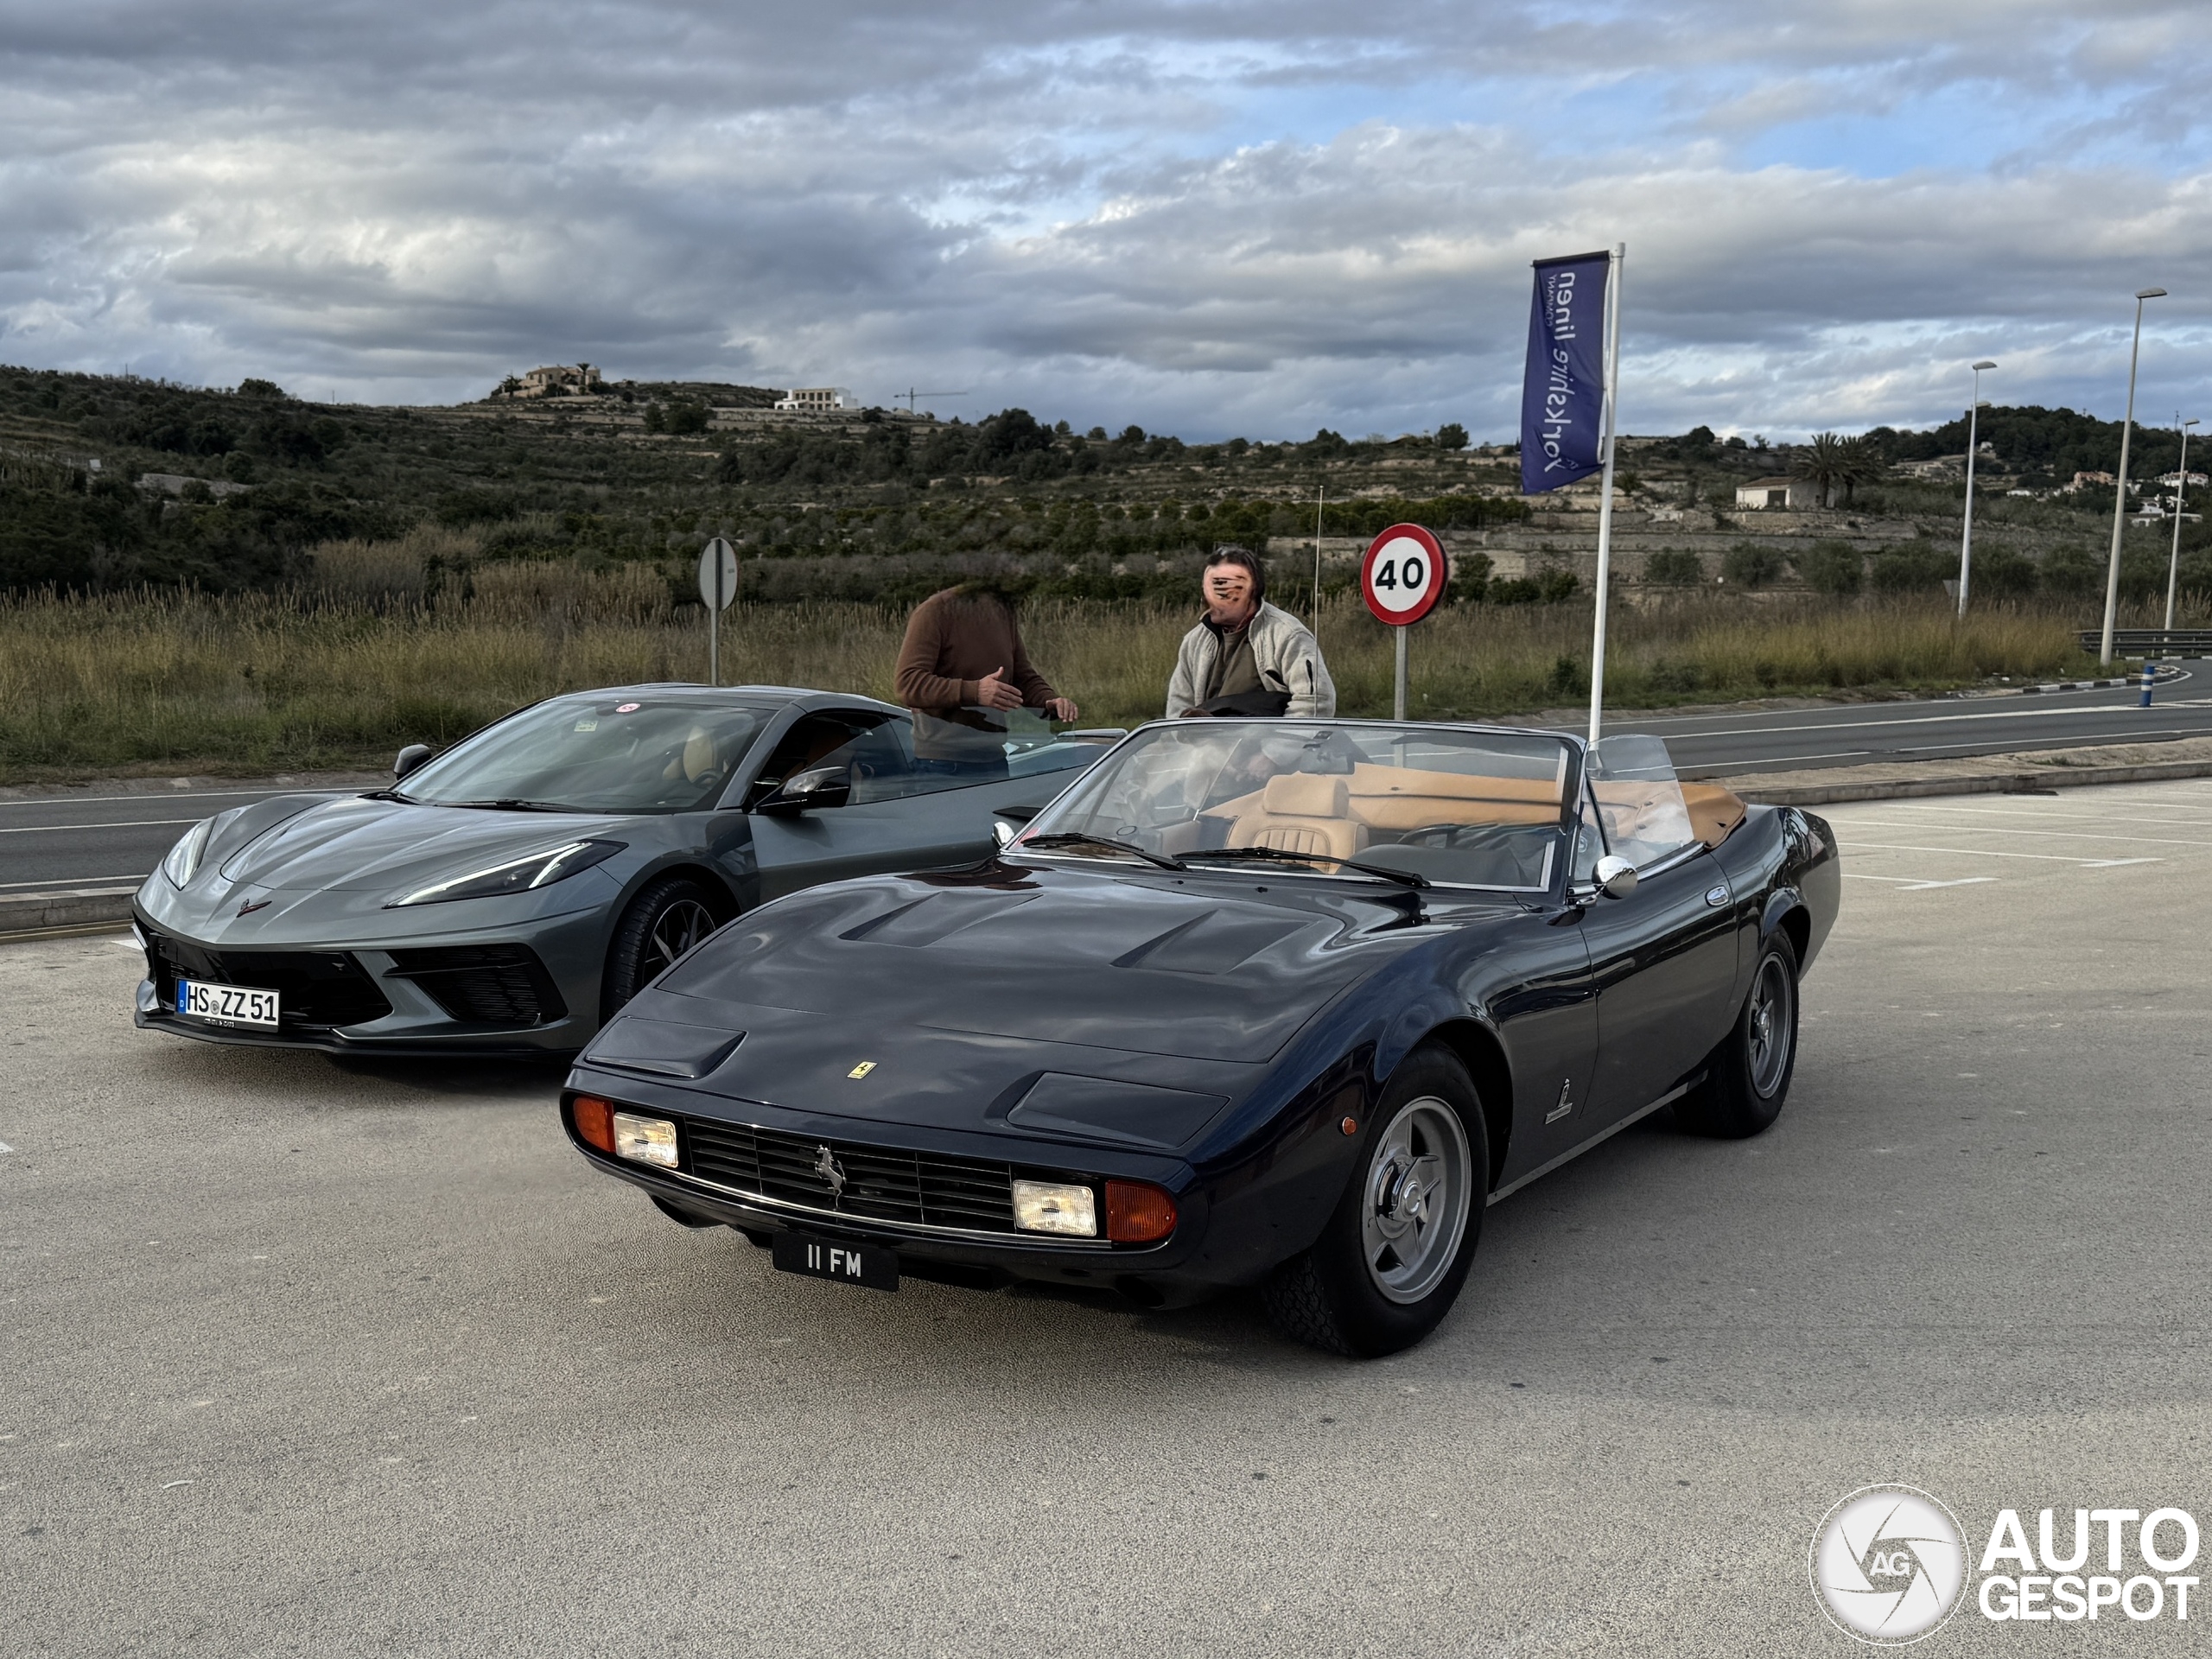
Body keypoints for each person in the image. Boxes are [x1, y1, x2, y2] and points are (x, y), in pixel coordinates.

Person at [894, 582, 1077, 775]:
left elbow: (1023, 677)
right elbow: (908, 682)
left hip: (995, 762)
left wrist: (1049, 701)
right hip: (942, 767)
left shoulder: (1002, 613)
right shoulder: (934, 612)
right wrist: (975, 691)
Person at [1166, 545, 1336, 719]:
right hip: (1207, 744)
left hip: (1267, 743)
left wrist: (1276, 744)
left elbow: (1315, 702)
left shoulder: (1288, 635)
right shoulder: (1194, 641)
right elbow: (1177, 709)